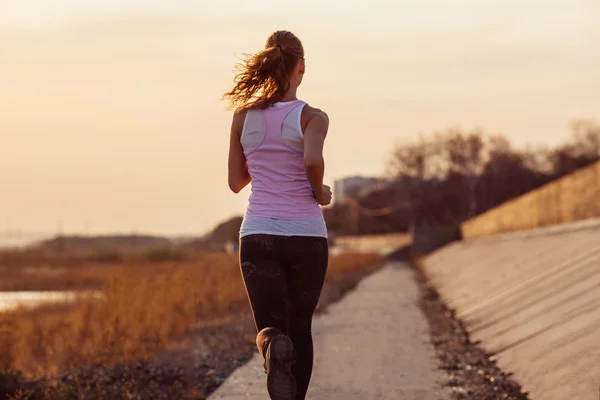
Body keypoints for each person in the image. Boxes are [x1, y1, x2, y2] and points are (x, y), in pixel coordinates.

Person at [223, 30, 331, 400]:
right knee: (300, 327)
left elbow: (236, 182)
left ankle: (270, 347)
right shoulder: (312, 117)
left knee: (272, 329)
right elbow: (312, 159)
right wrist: (320, 192)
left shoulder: (243, 117)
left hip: (258, 235)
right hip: (307, 236)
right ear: (300, 67)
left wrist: (262, 156)